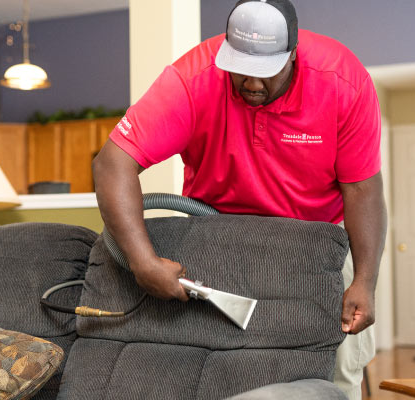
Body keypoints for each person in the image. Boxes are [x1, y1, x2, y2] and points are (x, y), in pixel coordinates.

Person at [93, 0, 387, 398]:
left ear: (293, 53)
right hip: (220, 242)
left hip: (318, 246)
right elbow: (112, 163)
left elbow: (362, 189)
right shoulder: (193, 78)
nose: (251, 83)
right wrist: (142, 262)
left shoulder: (342, 81)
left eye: (265, 73)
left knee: (335, 373)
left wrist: (365, 281)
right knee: (223, 367)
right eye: (241, 70)